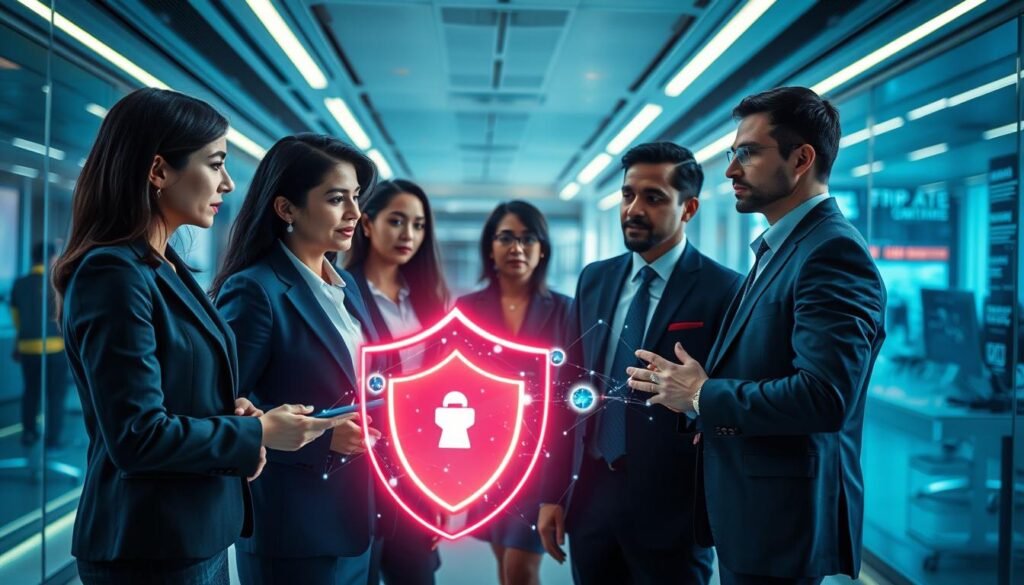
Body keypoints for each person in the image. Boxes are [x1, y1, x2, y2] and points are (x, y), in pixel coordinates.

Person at [53, 88, 341, 585]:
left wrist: (235, 412)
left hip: (194, 534)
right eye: (215, 163)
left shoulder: (164, 266)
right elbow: (137, 436)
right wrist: (259, 433)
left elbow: (177, 393)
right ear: (159, 170)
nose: (228, 183)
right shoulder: (112, 273)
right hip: (147, 546)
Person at [627, 87, 886, 585]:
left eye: (747, 152)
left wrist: (702, 394)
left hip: (785, 527)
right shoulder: (784, 249)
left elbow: (825, 396)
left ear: (802, 158)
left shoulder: (831, 254)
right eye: (732, 154)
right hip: (754, 515)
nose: (730, 170)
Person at [537, 142, 741, 585]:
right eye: (628, 195)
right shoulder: (596, 277)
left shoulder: (725, 290)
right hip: (591, 494)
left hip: (673, 510)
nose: (633, 209)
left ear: (688, 208)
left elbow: (729, 406)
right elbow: (568, 391)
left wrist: (696, 403)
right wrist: (553, 493)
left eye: (653, 198)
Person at [212, 133, 384, 585]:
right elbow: (222, 409)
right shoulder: (255, 290)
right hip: (295, 530)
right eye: (335, 199)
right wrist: (322, 440)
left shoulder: (348, 287)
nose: (353, 213)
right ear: (286, 208)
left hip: (359, 520)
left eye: (356, 198)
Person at [458, 200, 570, 585]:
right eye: (506, 238)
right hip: (487, 459)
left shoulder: (565, 311)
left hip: (540, 461)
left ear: (543, 249)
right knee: (504, 562)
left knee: (520, 570)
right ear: (490, 247)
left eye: (527, 239)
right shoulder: (467, 310)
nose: (517, 248)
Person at [343, 178, 449, 584]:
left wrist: (439, 485)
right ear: (367, 224)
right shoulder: (341, 291)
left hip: (415, 471)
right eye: (397, 221)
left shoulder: (428, 299)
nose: (409, 235)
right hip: (359, 469)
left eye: (419, 225)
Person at [10, 241, 68, 448]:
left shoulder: (19, 283)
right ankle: (53, 441)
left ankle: (28, 434)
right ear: (51, 258)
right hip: (55, 348)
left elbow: (18, 320)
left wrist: (19, 344)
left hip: (28, 349)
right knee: (55, 395)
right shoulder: (57, 281)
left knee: (31, 392)